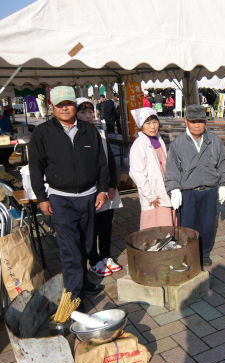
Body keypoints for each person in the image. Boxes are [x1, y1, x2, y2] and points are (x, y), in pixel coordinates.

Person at [29, 86, 108, 299]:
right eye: (60, 105)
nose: (65, 108)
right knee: (69, 248)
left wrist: (102, 190)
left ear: (74, 104)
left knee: (87, 244)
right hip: (61, 199)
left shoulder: (88, 130)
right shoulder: (43, 132)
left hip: (89, 197)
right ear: (52, 107)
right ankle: (74, 297)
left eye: (68, 104)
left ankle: (82, 281)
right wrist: (42, 198)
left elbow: (102, 163)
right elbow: (35, 167)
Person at [166, 105, 225, 267]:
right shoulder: (177, 144)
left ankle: (205, 252)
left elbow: (223, 164)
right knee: (187, 226)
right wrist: (174, 189)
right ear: (186, 121)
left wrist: (223, 184)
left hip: (210, 190)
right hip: (188, 192)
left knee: (207, 224)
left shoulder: (214, 141)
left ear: (205, 122)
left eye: (200, 121)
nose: (197, 125)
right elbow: (172, 169)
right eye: (193, 121)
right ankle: (189, 253)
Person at [76, 98, 123, 277]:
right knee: (90, 226)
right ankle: (93, 259)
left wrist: (112, 185)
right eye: (83, 112)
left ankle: (106, 256)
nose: (88, 116)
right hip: (88, 189)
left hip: (105, 187)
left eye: (90, 112)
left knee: (106, 223)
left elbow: (109, 161)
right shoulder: (74, 136)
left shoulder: (101, 133)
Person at [129, 107, 175, 229]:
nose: (152, 126)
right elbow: (137, 173)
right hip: (153, 195)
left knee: (168, 227)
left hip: (165, 189)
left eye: (155, 122)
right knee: (155, 229)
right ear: (141, 126)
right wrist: (150, 195)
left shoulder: (159, 139)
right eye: (148, 123)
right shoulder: (139, 145)